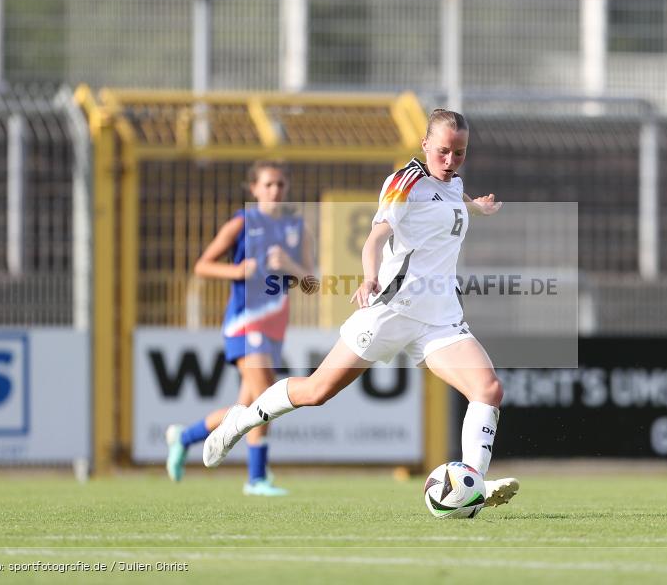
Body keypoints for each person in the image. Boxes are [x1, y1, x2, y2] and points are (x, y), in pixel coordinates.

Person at [203, 110, 519, 508]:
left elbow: (451, 200)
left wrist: (477, 207)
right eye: (443, 151)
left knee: (488, 389)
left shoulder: (453, 184)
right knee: (316, 392)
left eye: (460, 153)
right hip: (390, 309)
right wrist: (370, 277)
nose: (451, 161)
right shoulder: (405, 182)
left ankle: (472, 483)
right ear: (424, 145)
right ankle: (243, 419)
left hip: (439, 318)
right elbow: (375, 237)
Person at [165, 161, 314, 496]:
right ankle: (256, 478)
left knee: (247, 410)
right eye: (268, 185)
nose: (275, 191)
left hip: (275, 328)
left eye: (280, 185)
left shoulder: (297, 228)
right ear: (254, 189)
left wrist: (290, 266)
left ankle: (184, 437)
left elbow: (311, 283)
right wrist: (237, 271)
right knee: (266, 400)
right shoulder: (241, 223)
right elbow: (202, 265)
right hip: (244, 325)